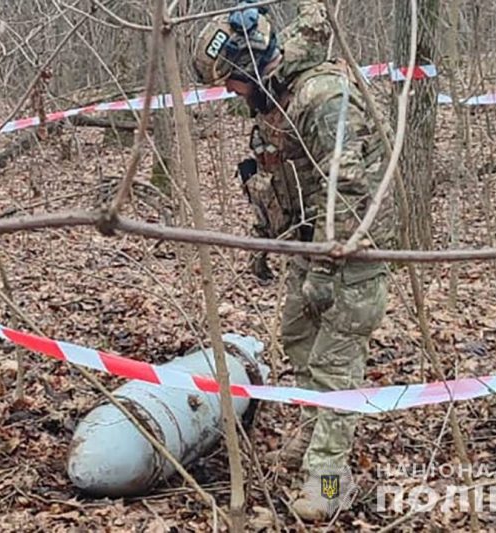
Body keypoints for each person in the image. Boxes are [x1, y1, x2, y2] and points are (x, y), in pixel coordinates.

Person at [192, 0, 394, 520]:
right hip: (308, 243)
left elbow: (349, 191)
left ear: (253, 66)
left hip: (353, 250)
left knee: (334, 366)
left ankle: (328, 483)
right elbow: (277, 177)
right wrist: (266, 240)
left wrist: (328, 270)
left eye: (232, 82)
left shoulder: (322, 97)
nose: (231, 94)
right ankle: (311, 434)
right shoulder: (274, 99)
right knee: (298, 339)